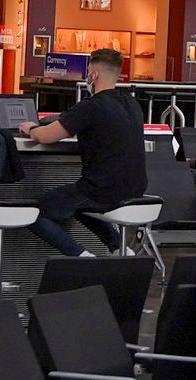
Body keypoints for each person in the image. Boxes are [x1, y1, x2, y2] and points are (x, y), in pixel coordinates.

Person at [20, 46, 145, 255]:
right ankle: (119, 249)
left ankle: (82, 257)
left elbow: (46, 136)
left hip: (100, 191)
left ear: (93, 74)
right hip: (134, 192)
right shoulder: (132, 104)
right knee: (77, 204)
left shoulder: (91, 106)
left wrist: (30, 128)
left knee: (33, 213)